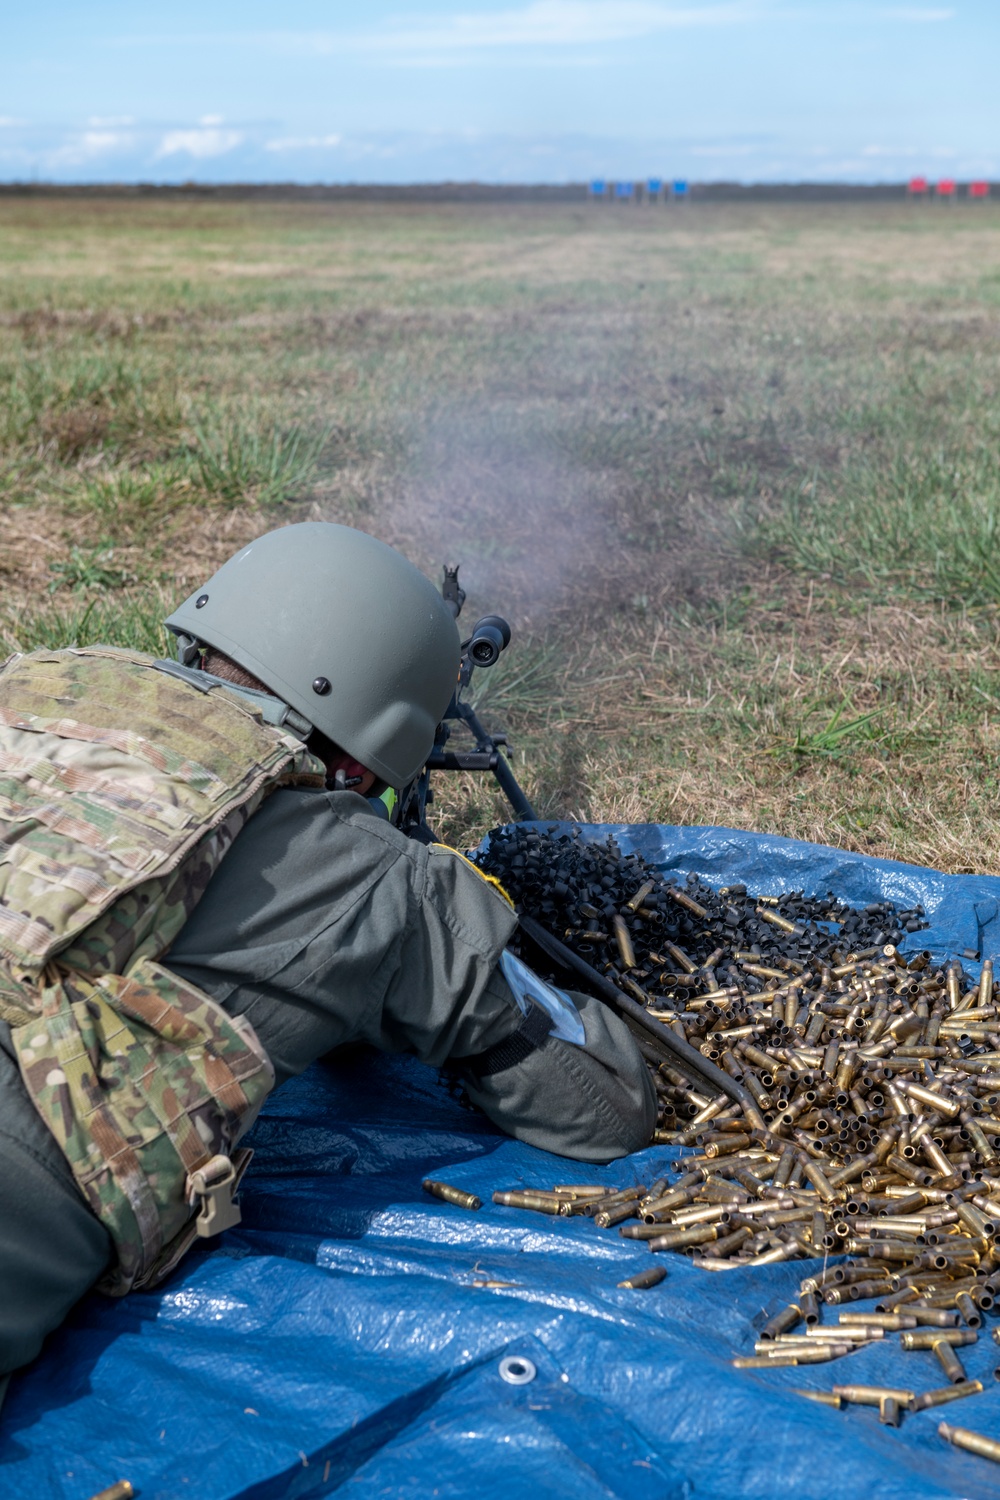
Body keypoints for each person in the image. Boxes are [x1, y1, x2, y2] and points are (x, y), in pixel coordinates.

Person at [0, 522, 655, 1394]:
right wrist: (428, 937)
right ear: (365, 751)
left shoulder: (33, 684)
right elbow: (604, 1107)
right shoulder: (378, 874)